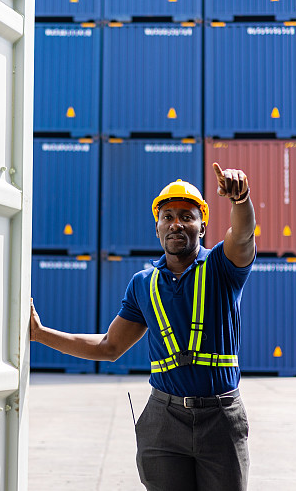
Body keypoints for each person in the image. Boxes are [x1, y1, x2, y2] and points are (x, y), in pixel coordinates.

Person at [30, 163, 256, 491]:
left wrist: (241, 199)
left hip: (220, 418)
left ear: (202, 226)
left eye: (187, 216)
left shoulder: (223, 268)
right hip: (163, 421)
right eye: (168, 216)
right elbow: (109, 347)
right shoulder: (142, 285)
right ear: (157, 227)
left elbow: (243, 233)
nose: (176, 223)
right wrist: (40, 334)